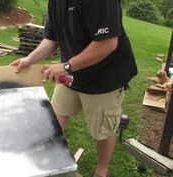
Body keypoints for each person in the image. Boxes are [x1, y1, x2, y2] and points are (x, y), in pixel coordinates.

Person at [10, 0, 137, 176]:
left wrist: (66, 67)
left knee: (103, 130)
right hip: (72, 71)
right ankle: (45, 158)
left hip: (104, 77)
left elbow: (107, 44)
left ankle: (102, 170)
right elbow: (51, 39)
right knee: (55, 117)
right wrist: (30, 59)